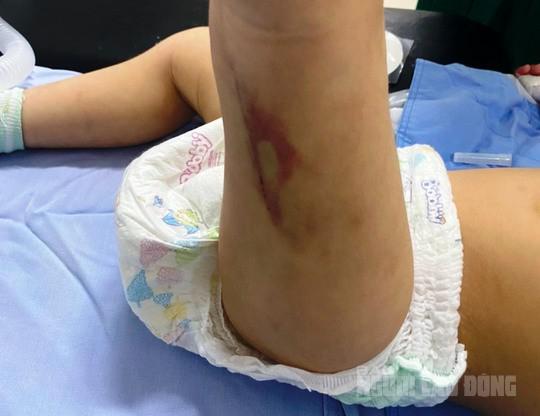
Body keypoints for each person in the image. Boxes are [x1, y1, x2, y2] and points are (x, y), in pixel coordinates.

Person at [1, 1, 539, 414]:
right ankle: (11, 116)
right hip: (383, 193)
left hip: (373, 294)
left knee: (285, 35)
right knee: (191, 55)